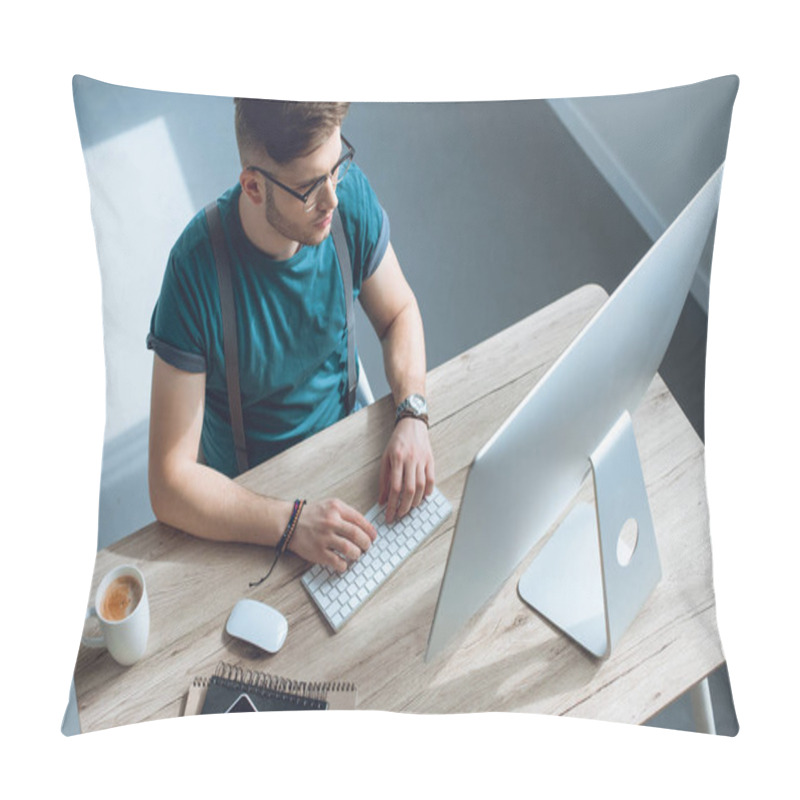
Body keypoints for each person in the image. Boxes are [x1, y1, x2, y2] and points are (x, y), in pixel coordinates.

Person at [146, 99, 435, 574]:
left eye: (336, 166)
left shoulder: (346, 199)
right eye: (309, 187)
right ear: (254, 186)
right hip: (254, 507)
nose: (332, 199)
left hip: (353, 462)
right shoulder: (194, 271)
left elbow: (400, 311)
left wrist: (412, 412)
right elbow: (169, 482)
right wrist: (292, 523)